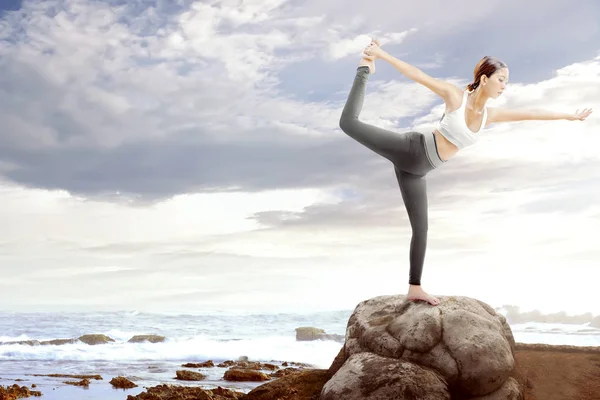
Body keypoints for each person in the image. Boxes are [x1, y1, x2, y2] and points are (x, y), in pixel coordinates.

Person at [339, 38, 593, 306]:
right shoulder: (455, 97)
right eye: (502, 80)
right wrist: (379, 55)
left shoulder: (489, 115)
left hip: (418, 172)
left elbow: (529, 113)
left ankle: (415, 287)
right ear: (485, 79)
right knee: (348, 123)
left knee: (422, 229)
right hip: (411, 150)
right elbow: (417, 75)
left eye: (506, 81)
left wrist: (568, 116)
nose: (505, 86)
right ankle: (364, 68)